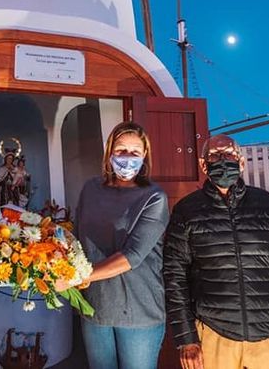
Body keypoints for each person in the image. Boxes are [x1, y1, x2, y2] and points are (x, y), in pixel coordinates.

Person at [163, 134, 269, 369]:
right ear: (203, 164)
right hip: (214, 337)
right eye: (215, 156)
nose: (223, 160)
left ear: (242, 162)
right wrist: (186, 339)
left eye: (230, 154)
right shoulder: (187, 211)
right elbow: (175, 278)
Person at [57, 121, 169, 369]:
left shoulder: (154, 197)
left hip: (139, 310)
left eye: (135, 152)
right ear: (109, 153)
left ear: (144, 157)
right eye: (120, 150)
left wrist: (76, 277)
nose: (127, 158)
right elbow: (76, 239)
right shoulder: (90, 189)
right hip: (95, 307)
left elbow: (132, 256)